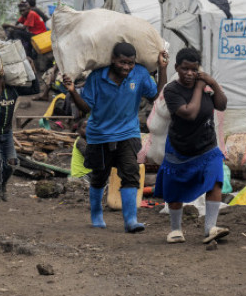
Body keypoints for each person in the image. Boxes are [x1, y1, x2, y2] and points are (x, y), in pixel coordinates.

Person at [63, 43, 169, 233]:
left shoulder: (140, 74)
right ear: (113, 60)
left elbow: (157, 96)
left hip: (128, 133)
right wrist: (72, 91)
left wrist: (162, 68)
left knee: (131, 174)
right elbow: (86, 108)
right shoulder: (97, 77)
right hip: (99, 135)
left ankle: (130, 220)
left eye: (130, 63)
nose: (126, 67)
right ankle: (96, 213)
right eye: (122, 62)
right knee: (99, 177)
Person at [154, 48, 230, 244]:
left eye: (193, 69)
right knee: (174, 188)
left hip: (206, 146)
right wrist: (199, 87)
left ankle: (210, 228)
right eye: (184, 69)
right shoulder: (172, 90)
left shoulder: (206, 86)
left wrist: (212, 83)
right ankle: (175, 229)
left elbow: (221, 105)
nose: (189, 73)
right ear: (177, 67)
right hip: (180, 147)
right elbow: (189, 113)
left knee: (215, 180)